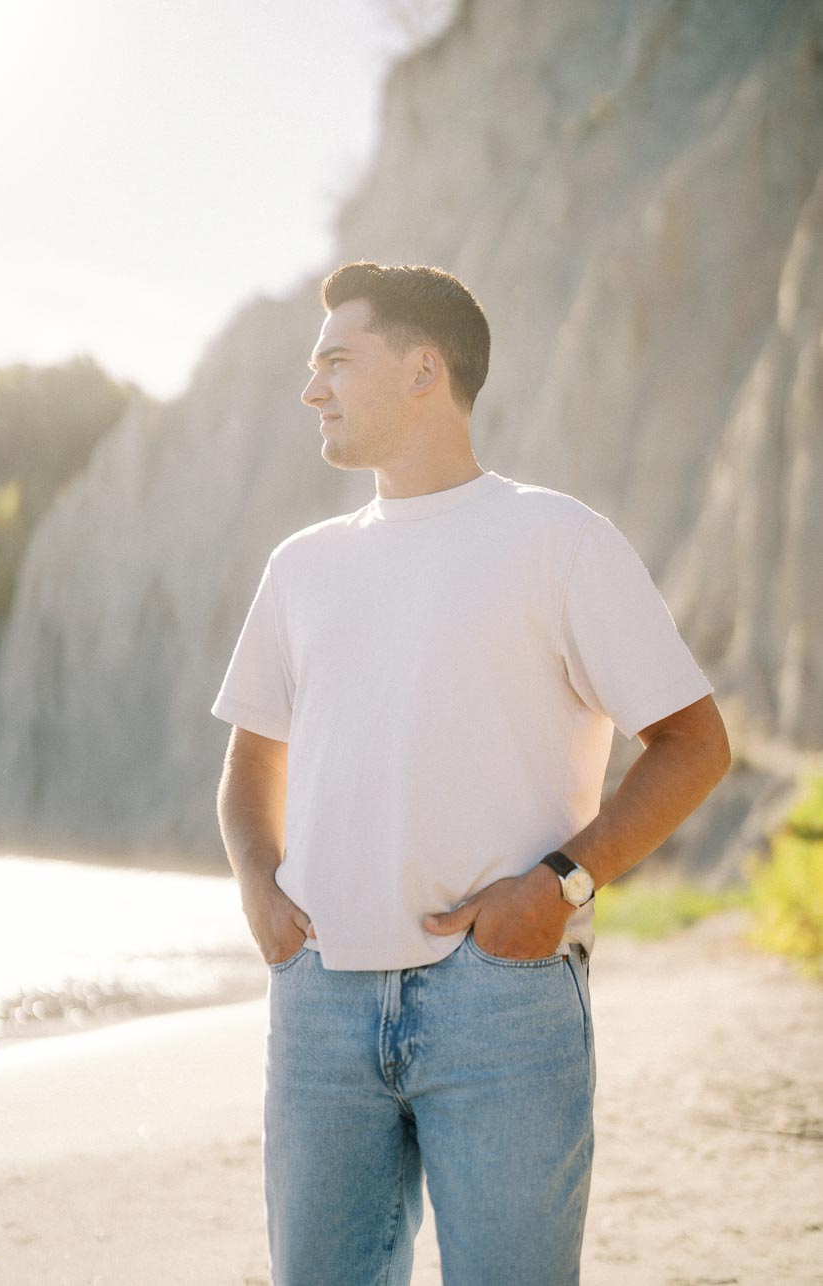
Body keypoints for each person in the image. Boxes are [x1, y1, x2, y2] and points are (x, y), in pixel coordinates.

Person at [211, 261, 731, 1285]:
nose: (311, 388)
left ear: (422, 370)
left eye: (335, 361)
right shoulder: (300, 567)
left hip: (502, 998)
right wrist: (258, 895)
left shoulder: (558, 539)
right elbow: (247, 771)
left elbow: (695, 744)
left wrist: (563, 887)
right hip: (321, 1009)